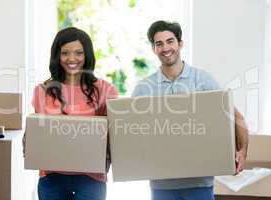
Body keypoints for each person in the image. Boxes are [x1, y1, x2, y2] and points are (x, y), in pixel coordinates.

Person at [131, 20, 248, 200]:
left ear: (180, 43)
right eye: (159, 44)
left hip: (199, 183)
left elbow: (235, 116)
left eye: (170, 41)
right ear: (153, 49)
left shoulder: (203, 80)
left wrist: (242, 150)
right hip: (162, 184)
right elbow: (131, 132)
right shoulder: (144, 89)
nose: (165, 48)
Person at [25, 27, 118, 200]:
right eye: (65, 53)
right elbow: (36, 131)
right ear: (57, 56)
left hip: (91, 178)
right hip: (52, 177)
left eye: (78, 53)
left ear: (87, 55)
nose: (72, 58)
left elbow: (115, 134)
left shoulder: (105, 90)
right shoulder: (43, 90)